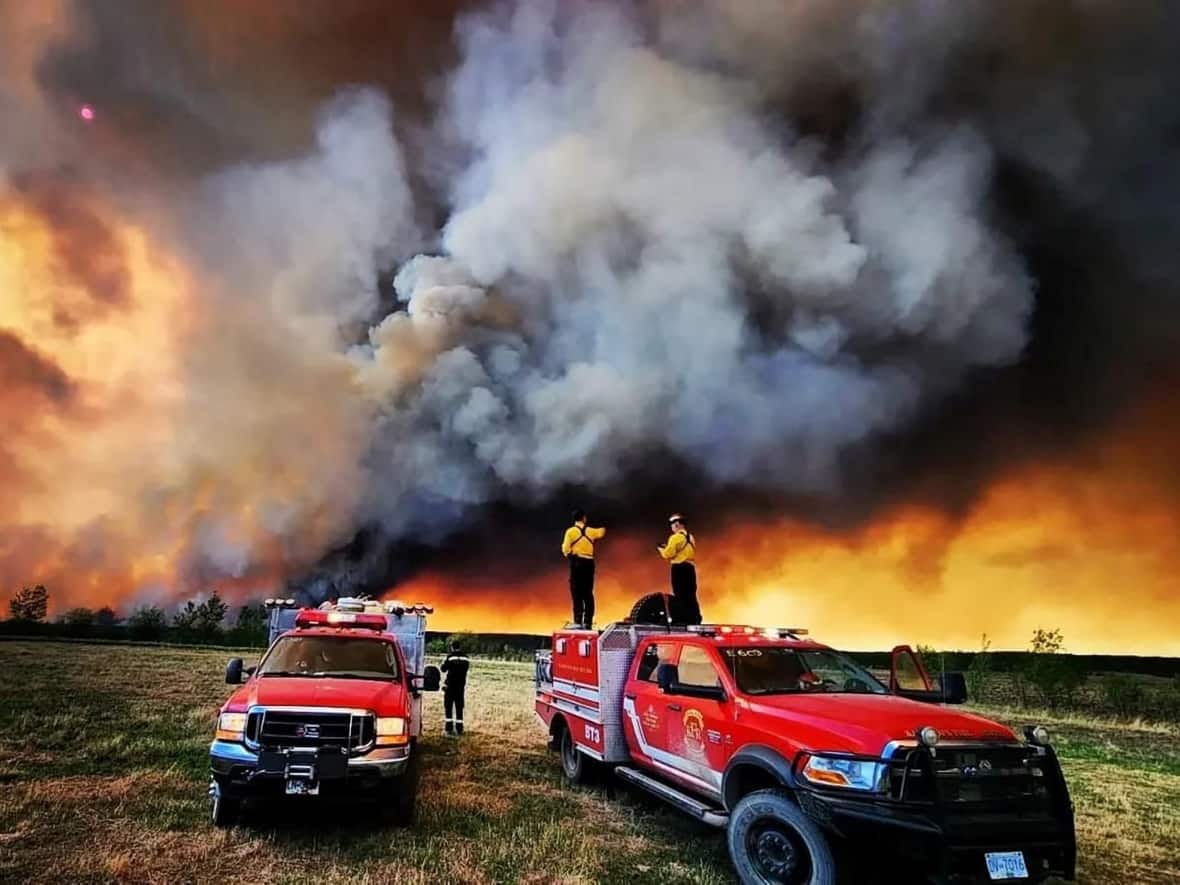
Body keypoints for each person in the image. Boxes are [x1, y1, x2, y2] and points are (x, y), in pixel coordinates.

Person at [561, 509, 606, 628]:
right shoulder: (591, 531)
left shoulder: (570, 532)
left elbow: (565, 549)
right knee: (588, 594)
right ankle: (588, 622)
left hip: (577, 563)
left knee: (576, 593)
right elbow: (602, 532)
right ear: (584, 518)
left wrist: (572, 558)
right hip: (589, 564)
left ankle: (577, 621)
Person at [658, 513, 701, 625]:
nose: (672, 527)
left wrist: (661, 549)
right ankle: (695, 619)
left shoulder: (675, 538)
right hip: (690, 568)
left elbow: (668, 554)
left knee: (680, 594)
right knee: (691, 595)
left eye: (672, 525)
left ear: (676, 524)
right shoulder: (691, 537)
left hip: (679, 569)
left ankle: (683, 619)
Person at [441, 641, 470, 735]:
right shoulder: (466, 658)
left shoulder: (450, 657)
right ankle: (459, 728)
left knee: (448, 706)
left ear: (452, 647)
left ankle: (449, 728)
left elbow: (443, 669)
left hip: (450, 685)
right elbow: (466, 669)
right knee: (459, 707)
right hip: (461, 686)